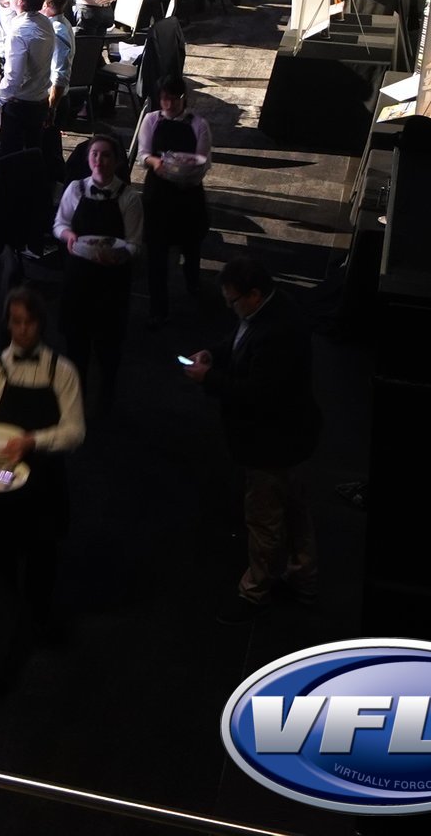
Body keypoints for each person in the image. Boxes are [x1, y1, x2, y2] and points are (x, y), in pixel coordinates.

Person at [187, 254, 321, 616]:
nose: (230, 308)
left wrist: (208, 378)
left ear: (254, 295)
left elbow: (257, 393)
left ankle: (255, 592)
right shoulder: (272, 310)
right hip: (296, 437)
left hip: (271, 443)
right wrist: (214, 354)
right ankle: (304, 578)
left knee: (264, 519)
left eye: (232, 301)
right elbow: (238, 340)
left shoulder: (277, 334)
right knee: (296, 511)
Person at [0, 284, 85, 690]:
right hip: (4, 482)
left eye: (29, 322)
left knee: (42, 563)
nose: (22, 330)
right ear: (7, 324)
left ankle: (38, 623)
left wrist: (33, 441)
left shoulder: (63, 371)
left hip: (46, 482)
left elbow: (74, 432)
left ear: (41, 324)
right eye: (15, 322)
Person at [54, 133, 144, 397]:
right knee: (75, 343)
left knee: (108, 345)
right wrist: (68, 235)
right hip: (78, 277)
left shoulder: (129, 198)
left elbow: (135, 243)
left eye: (106, 155)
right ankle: (74, 396)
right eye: (95, 154)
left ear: (116, 161)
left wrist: (118, 255)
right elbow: (59, 224)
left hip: (111, 281)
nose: (99, 160)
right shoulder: (75, 189)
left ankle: (106, 397)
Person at [135, 74, 212, 324]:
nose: (168, 104)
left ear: (183, 98)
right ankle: (158, 308)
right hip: (158, 194)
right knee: (156, 254)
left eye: (173, 99)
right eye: (164, 99)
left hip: (188, 195)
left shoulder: (198, 124)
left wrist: (185, 175)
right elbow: (143, 154)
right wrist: (154, 162)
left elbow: (203, 162)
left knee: (191, 246)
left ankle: (193, 284)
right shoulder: (151, 120)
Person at [0, 0, 55, 157]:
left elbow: (13, 77)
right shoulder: (45, 22)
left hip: (20, 108)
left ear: (21, 1)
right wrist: (5, 4)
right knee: (33, 155)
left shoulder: (19, 32)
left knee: (9, 158)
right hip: (40, 102)